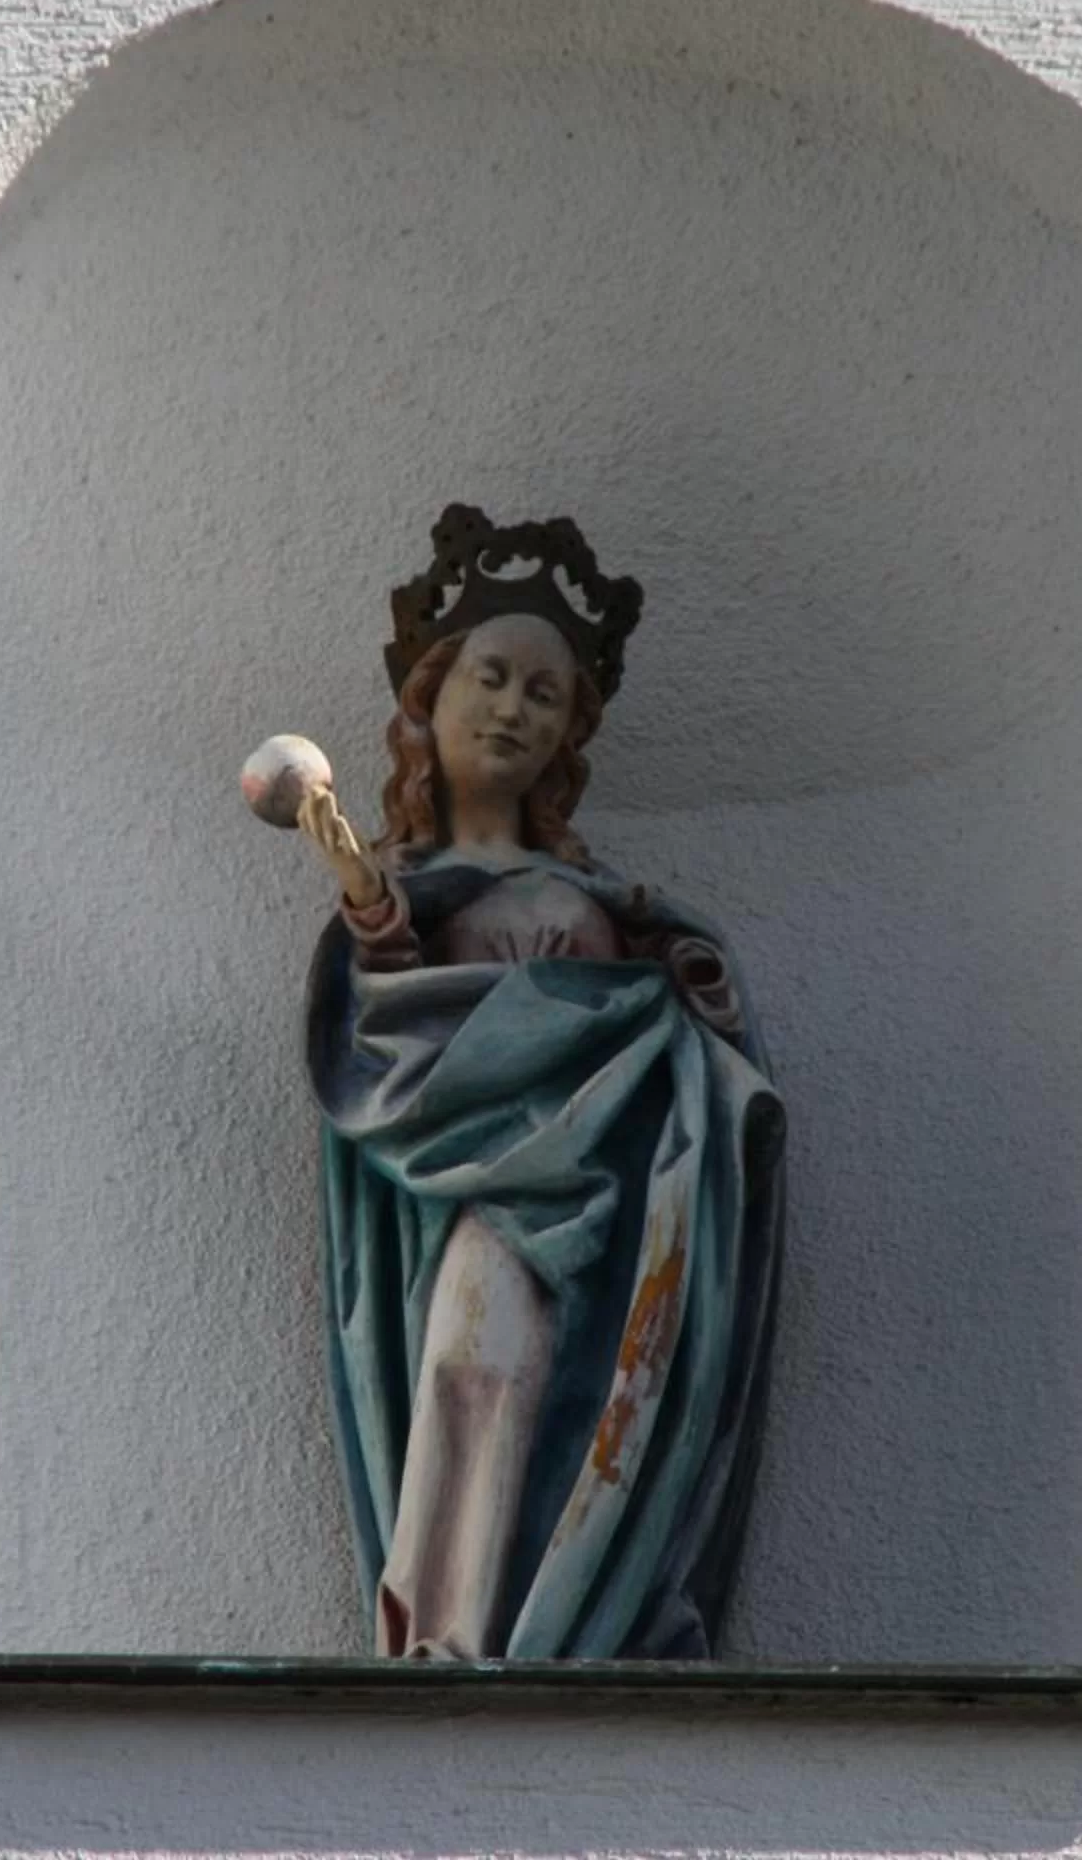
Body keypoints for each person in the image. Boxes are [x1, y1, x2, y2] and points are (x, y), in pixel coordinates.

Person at [294, 505, 786, 1661]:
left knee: (603, 1399)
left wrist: (685, 997)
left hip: (609, 1197)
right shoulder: (403, 893)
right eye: (492, 677)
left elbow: (686, 1050)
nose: (513, 706)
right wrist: (370, 913)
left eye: (544, 694)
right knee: (470, 1360)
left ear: (567, 735)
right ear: (431, 698)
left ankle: (568, 1621)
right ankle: (453, 1640)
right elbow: (383, 1052)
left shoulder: (612, 903)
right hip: (481, 1190)